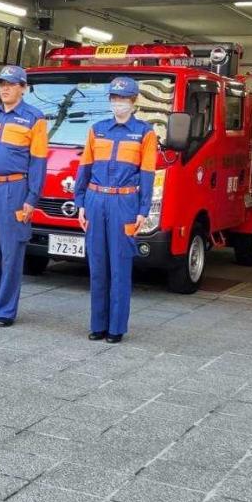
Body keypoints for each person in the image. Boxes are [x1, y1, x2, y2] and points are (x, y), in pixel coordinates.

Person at [75, 76, 157, 343]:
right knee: (97, 265)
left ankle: (116, 328)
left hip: (124, 203)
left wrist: (143, 210)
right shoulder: (97, 130)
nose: (118, 103)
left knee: (120, 266)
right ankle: (98, 324)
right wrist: (80, 204)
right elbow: (84, 169)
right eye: (114, 98)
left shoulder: (145, 133)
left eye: (123, 99)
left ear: (133, 102)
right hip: (96, 200)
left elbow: (147, 175)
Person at [0, 65, 47, 327]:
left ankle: (5, 310)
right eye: (2, 84)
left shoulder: (34, 118)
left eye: (11, 84)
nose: (5, 88)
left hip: (15, 191)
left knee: (11, 253)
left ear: (23, 88)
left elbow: (38, 162)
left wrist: (31, 199)